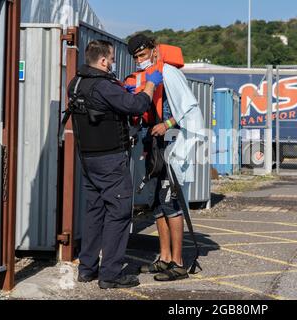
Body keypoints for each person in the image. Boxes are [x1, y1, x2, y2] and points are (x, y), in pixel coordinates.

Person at [64, 40, 163, 289]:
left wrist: (121, 94)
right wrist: (150, 82)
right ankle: (110, 274)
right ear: (104, 61)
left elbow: (105, 106)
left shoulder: (75, 83)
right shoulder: (104, 86)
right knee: (118, 214)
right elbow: (138, 105)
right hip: (110, 159)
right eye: (112, 59)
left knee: (94, 213)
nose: (114, 64)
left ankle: (87, 269)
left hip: (88, 160)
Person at [124, 34, 205, 282]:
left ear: (154, 50)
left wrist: (168, 123)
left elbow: (191, 109)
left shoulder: (169, 73)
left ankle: (178, 263)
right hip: (154, 147)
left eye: (143, 55)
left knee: (172, 203)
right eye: (136, 58)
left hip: (173, 145)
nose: (140, 61)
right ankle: (164, 257)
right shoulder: (147, 77)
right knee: (157, 205)